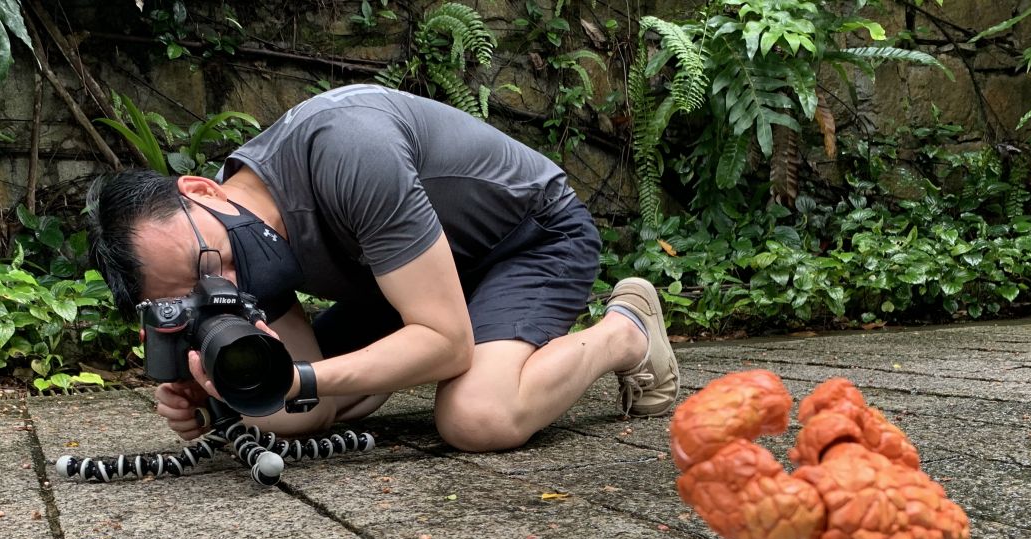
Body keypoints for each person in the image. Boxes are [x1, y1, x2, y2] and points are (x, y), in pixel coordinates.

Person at [85, 84, 679, 452]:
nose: (224, 288)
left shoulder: (348, 148)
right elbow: (309, 412)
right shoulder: (236, 248)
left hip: (529, 239)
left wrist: (303, 379)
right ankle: (402, 357)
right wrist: (225, 392)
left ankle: (625, 330)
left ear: (200, 190)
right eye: (194, 295)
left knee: (478, 416)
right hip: (402, 282)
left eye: (209, 262)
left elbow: (446, 345)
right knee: (327, 395)